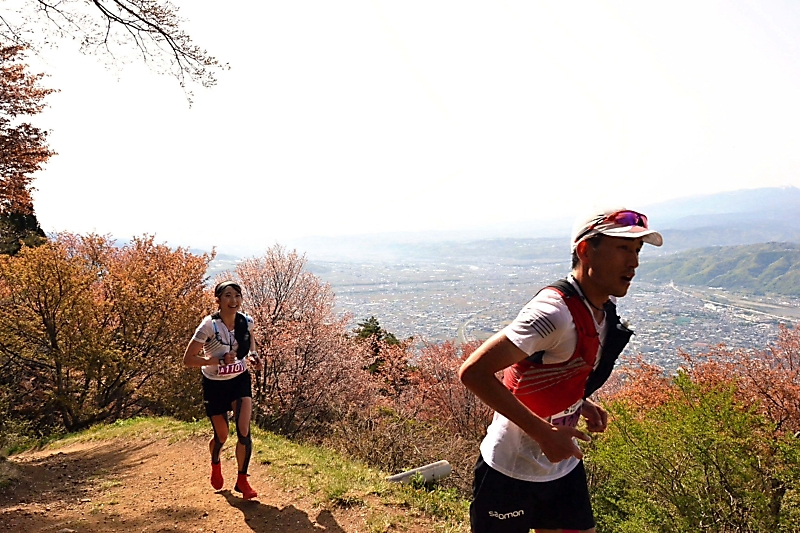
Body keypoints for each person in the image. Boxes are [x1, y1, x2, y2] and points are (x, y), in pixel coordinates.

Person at [458, 207, 663, 533]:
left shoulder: (601, 308)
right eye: (623, 248)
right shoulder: (553, 313)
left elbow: (551, 368)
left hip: (563, 466)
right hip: (511, 469)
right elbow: (473, 372)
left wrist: (578, 401)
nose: (634, 262)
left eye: (637, 250)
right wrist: (544, 434)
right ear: (585, 250)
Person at [183, 280, 263, 500]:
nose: (233, 300)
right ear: (218, 300)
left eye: (237, 295)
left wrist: (253, 356)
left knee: (244, 431)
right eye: (228, 295)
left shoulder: (246, 321)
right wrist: (216, 361)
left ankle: (242, 480)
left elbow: (251, 341)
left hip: (239, 380)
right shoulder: (209, 326)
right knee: (222, 435)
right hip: (215, 385)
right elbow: (188, 359)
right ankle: (215, 462)